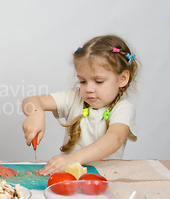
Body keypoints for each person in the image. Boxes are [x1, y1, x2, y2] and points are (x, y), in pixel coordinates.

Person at [22, 35, 138, 175]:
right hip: (68, 178)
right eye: (83, 81)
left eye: (99, 81)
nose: (89, 88)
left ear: (123, 79)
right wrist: (36, 113)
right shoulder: (74, 97)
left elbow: (115, 138)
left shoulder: (123, 108)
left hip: (104, 179)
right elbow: (32, 100)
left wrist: (74, 158)